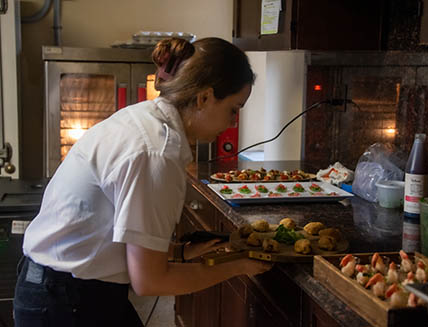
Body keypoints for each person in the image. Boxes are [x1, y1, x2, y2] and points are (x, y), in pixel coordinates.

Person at [14, 37, 271, 326]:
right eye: (233, 109)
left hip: (65, 287)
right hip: (64, 301)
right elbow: (149, 282)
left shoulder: (145, 119)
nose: (233, 123)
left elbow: (113, 230)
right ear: (204, 98)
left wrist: (181, 252)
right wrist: (237, 267)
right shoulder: (157, 151)